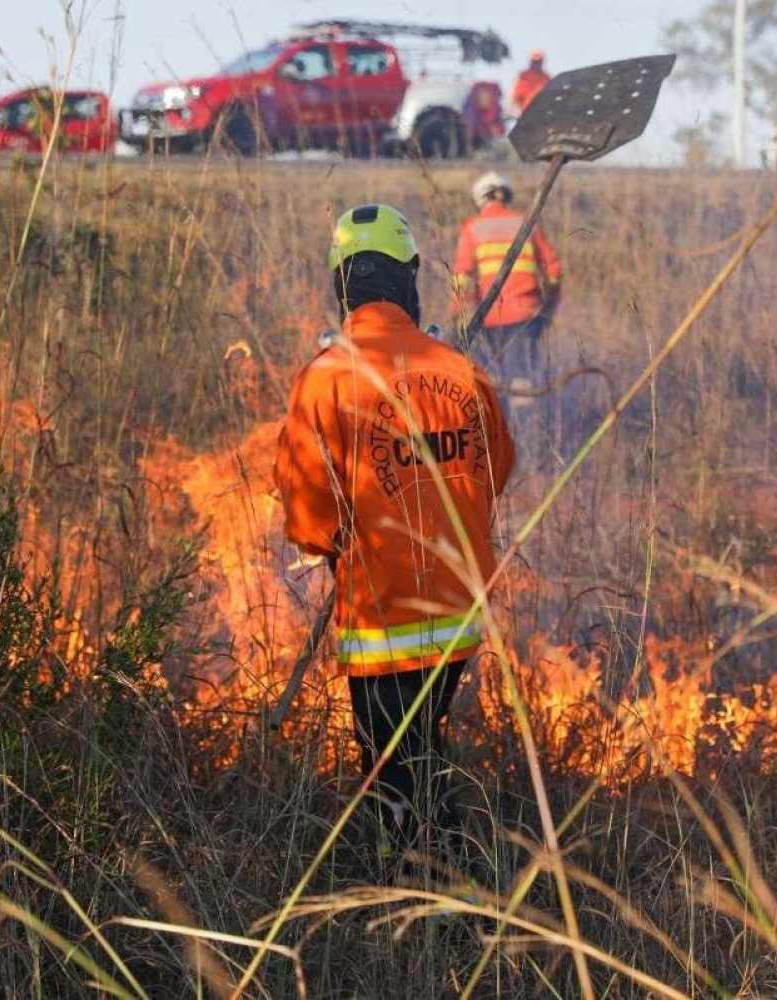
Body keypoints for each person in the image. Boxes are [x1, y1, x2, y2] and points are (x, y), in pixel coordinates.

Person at [274, 203, 516, 869]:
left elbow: (307, 520)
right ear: (410, 280)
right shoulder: (460, 371)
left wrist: (337, 535)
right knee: (423, 746)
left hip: (383, 619)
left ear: (341, 287)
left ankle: (425, 894)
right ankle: (448, 885)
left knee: (395, 770)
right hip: (460, 615)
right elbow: (496, 470)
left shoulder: (325, 379)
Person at [450, 171, 563, 436]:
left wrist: (459, 315)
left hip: (488, 319)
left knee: (493, 378)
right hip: (528, 316)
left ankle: (502, 436)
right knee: (522, 376)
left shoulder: (473, 227)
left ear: (479, 199)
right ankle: (528, 437)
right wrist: (550, 305)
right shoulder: (527, 224)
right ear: (506, 197)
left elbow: (462, 276)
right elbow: (554, 269)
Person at [510, 50, 552, 115]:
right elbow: (516, 94)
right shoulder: (524, 76)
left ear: (542, 62)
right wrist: (512, 109)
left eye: (538, 62)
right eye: (534, 62)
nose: (536, 64)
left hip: (542, 112)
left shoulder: (546, 78)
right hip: (527, 111)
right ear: (531, 62)